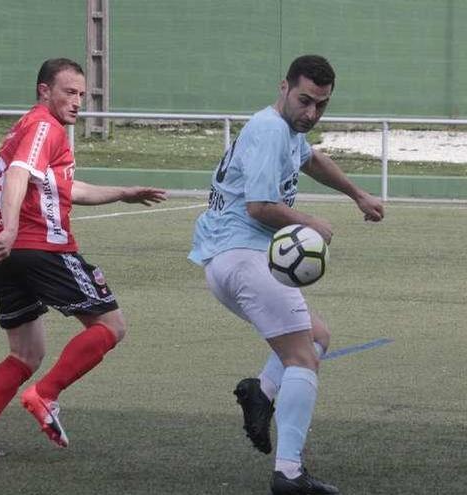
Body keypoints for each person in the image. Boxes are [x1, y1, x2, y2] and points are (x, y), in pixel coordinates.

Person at [188, 55, 384, 494]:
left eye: (321, 105)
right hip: (244, 259)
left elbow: (311, 159)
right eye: (305, 101)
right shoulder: (269, 129)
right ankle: (290, 474)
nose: (311, 113)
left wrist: (357, 194)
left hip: (230, 260)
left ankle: (261, 392)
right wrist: (310, 224)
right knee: (303, 358)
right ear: (283, 88)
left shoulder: (287, 131)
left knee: (316, 336)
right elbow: (259, 207)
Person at [0, 58, 167, 457]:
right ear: (44, 91)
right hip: (40, 249)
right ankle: (46, 394)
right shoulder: (42, 126)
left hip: (6, 260)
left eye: (82, 94)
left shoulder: (28, 128)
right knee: (111, 325)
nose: (77, 101)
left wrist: (122, 192)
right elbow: (19, 174)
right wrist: (13, 228)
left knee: (25, 353)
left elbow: (67, 188)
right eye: (69, 92)